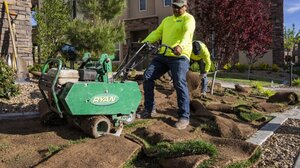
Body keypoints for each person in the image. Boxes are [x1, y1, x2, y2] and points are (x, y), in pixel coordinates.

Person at [136, 0, 196, 130]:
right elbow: (156, 33)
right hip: (164, 55)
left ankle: (184, 116)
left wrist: (180, 46)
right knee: (147, 76)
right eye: (174, 7)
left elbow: (187, 34)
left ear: (186, 7)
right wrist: (143, 43)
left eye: (179, 7)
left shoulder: (189, 19)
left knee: (179, 81)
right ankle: (149, 109)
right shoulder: (167, 20)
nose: (176, 10)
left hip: (180, 56)